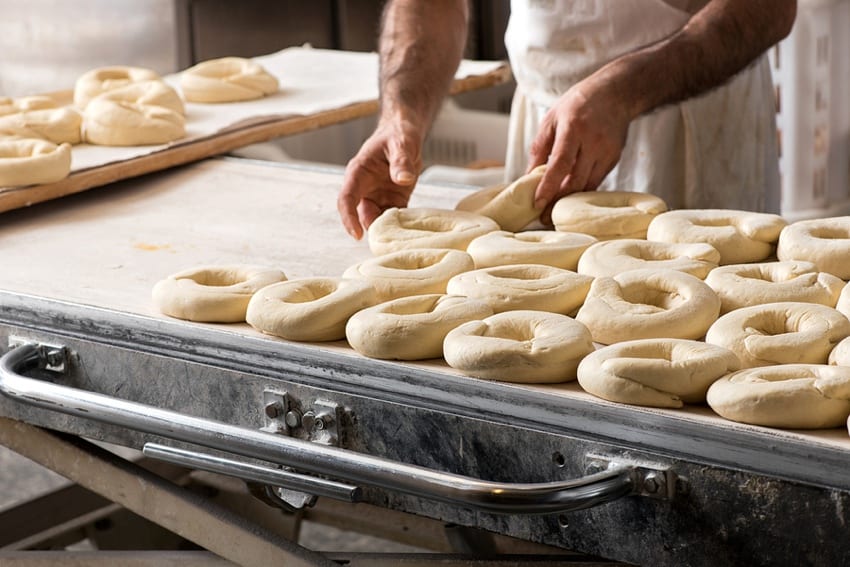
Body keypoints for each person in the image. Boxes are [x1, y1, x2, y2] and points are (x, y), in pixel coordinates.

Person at [337, 0, 797, 240]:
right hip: (543, 123)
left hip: (688, 127)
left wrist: (624, 89)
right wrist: (402, 112)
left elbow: (768, 8)